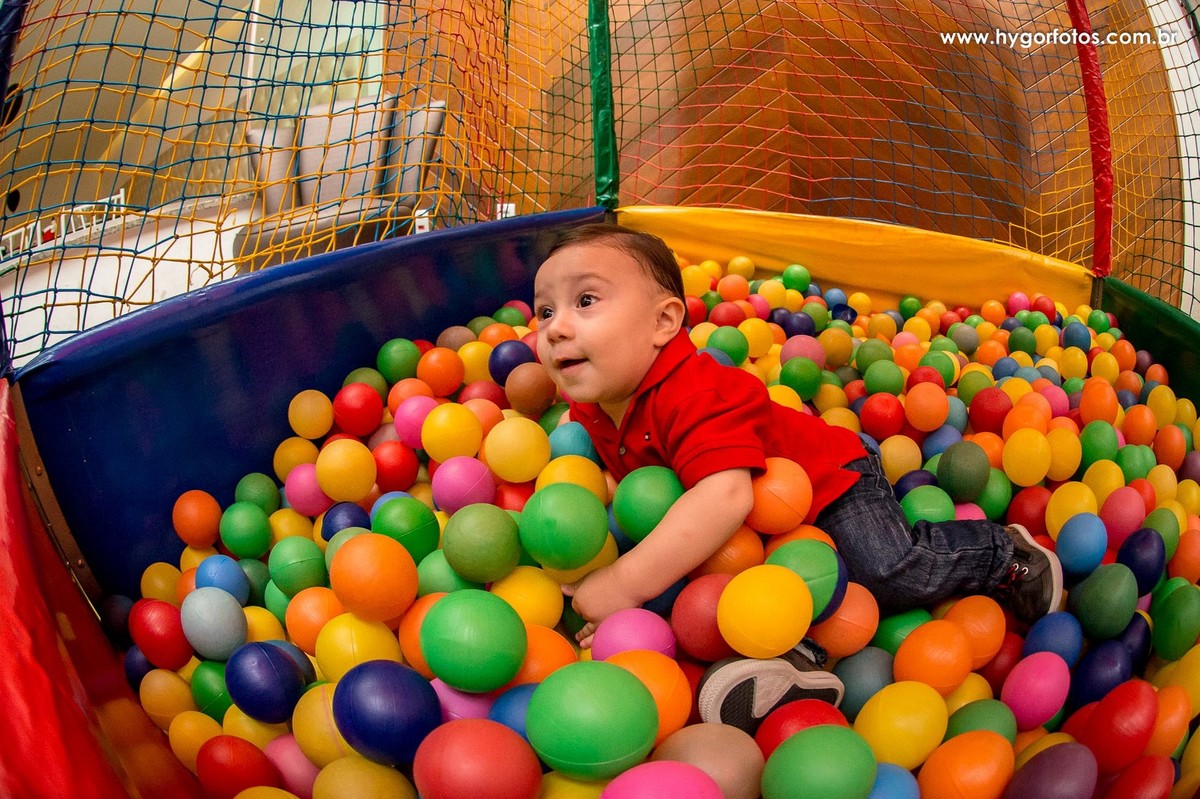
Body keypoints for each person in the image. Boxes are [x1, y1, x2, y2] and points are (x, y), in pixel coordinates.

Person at [532, 222, 1063, 734]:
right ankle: (793, 656)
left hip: (828, 479)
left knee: (885, 570)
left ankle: (999, 553)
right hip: (759, 532)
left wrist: (623, 584)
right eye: (545, 311)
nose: (555, 328)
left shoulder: (692, 393)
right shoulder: (593, 405)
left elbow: (725, 496)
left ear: (663, 322)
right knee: (707, 598)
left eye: (586, 300)